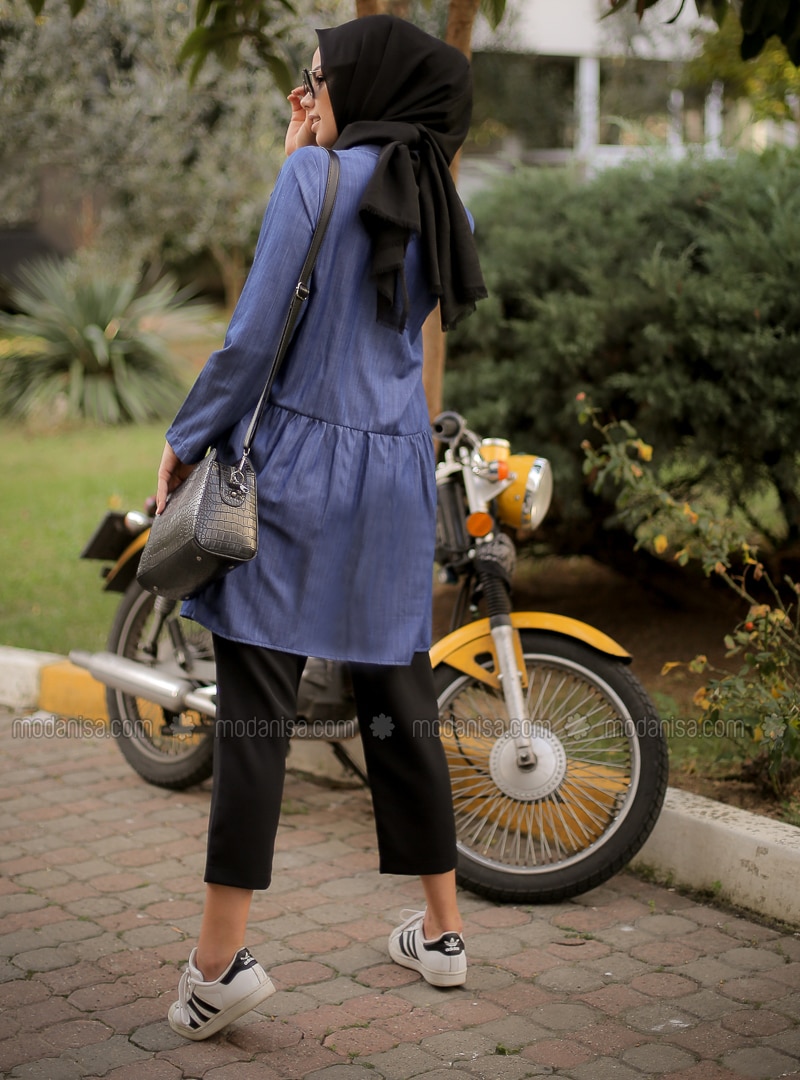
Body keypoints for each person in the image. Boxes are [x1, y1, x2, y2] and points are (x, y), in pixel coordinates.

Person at [158, 14, 487, 1041]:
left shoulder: (313, 182)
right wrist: (309, 145)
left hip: (297, 469)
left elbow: (254, 337)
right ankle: (441, 933)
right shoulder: (437, 197)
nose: (302, 94)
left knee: (254, 707)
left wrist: (185, 437)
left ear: (364, 85)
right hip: (391, 478)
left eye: (313, 78)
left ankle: (218, 965)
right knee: (398, 696)